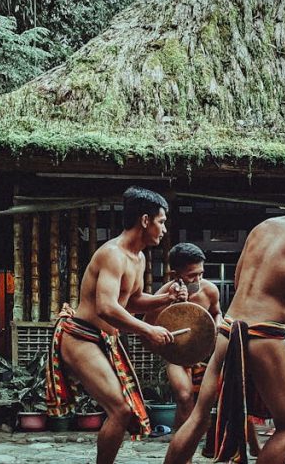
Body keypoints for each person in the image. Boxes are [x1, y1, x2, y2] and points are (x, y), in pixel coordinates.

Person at [164, 164, 285, 464]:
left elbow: (238, 279)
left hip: (228, 328)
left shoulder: (263, 228)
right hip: (265, 334)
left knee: (199, 416)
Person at [45, 187, 182, 464]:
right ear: (145, 220)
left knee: (124, 411)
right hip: (81, 336)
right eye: (162, 221)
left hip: (103, 340)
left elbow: (130, 301)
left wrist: (164, 298)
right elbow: (106, 307)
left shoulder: (139, 257)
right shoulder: (113, 254)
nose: (164, 228)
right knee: (120, 410)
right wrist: (148, 329)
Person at [143, 242, 222, 430]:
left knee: (209, 402)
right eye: (191, 275)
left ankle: (184, 445)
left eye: (201, 273)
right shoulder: (163, 295)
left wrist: (218, 324)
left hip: (205, 353)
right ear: (175, 274)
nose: (198, 279)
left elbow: (217, 312)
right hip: (177, 355)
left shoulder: (210, 290)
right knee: (185, 398)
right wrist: (171, 304)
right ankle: (180, 449)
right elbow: (147, 327)